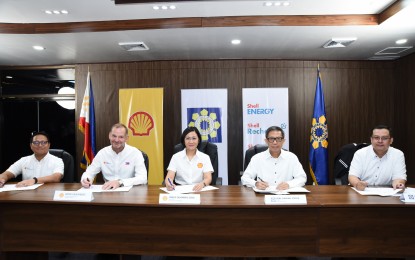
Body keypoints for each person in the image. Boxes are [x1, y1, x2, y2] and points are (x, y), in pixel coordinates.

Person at [80, 123, 147, 190]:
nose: (116, 140)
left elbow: (143, 178)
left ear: (127, 138)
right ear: (109, 136)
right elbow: (89, 172)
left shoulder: (135, 153)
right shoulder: (102, 153)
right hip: (107, 192)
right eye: (114, 136)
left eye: (121, 137)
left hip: (130, 193)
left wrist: (120, 182)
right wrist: (86, 179)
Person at [241, 126, 307, 190]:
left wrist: (289, 184)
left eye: (278, 139)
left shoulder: (291, 157)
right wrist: (256, 183)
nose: (275, 142)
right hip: (262, 196)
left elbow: (302, 178)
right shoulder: (257, 158)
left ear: (283, 141)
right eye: (271, 139)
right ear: (266, 141)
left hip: (285, 197)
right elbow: (245, 178)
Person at [348, 125, 406, 191]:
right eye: (376, 137)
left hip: (387, 193)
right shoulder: (360, 153)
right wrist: (357, 184)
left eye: (384, 138)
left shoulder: (398, 154)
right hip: (363, 192)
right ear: (371, 139)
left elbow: (398, 177)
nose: (380, 141)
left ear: (391, 140)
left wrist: (398, 184)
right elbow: (352, 176)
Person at [165, 127, 213, 192]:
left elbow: (208, 178)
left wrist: (202, 184)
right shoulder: (176, 157)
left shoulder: (205, 157)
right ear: (184, 141)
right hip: (180, 190)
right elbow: (169, 177)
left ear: (198, 140)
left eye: (194, 138)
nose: (191, 141)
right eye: (187, 138)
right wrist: (169, 183)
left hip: (199, 189)